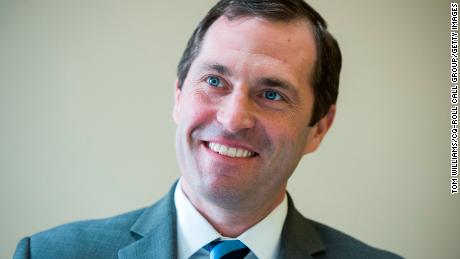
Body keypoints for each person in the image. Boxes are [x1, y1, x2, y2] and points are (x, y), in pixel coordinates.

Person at [14, 0, 402, 258]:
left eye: (271, 94)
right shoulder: (49, 254)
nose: (233, 120)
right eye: (215, 81)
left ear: (319, 128)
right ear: (179, 96)